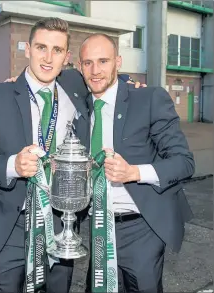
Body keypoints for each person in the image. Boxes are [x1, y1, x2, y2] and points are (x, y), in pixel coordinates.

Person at [0, 17, 91, 293]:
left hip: (59, 228)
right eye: (41, 47)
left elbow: (110, 84)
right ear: (28, 49)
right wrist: (12, 165)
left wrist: (132, 85)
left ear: (66, 57)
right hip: (9, 229)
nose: (48, 58)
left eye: (57, 50)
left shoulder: (77, 97)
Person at [77, 33, 195, 293]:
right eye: (88, 63)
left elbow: (184, 163)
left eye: (103, 61)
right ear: (79, 66)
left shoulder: (148, 99)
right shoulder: (78, 104)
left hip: (141, 228)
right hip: (97, 228)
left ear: (118, 62)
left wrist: (134, 172)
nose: (95, 71)